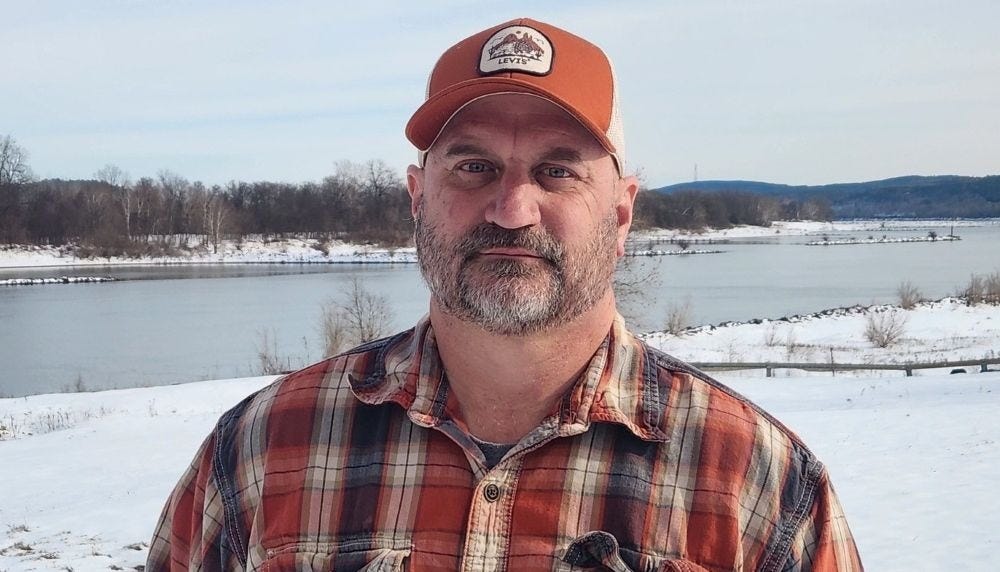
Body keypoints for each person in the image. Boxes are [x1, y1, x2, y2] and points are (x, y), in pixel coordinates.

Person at [146, 18, 862, 571]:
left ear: (621, 214)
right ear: (417, 198)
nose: (512, 209)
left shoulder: (756, 482)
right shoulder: (262, 451)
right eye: (474, 167)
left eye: (558, 172)